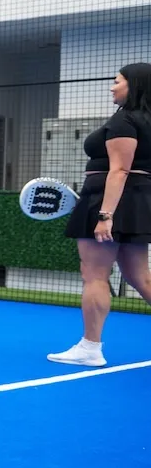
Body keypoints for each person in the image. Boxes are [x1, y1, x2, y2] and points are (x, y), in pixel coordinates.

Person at [49, 63, 151, 368]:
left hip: (110, 202)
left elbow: (119, 170)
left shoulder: (124, 120)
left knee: (94, 275)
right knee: (140, 277)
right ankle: (89, 346)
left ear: (134, 85)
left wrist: (105, 214)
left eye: (117, 81)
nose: (111, 86)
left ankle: (90, 348)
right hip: (136, 201)